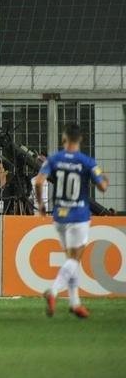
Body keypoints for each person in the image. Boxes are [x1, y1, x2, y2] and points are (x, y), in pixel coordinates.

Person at [35, 124, 109, 319]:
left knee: (70, 259)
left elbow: (39, 181)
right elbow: (102, 186)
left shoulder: (54, 159)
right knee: (75, 260)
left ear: (64, 138)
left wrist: (41, 205)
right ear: (80, 139)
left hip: (60, 216)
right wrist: (104, 178)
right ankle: (53, 291)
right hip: (79, 216)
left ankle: (75, 303)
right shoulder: (87, 161)